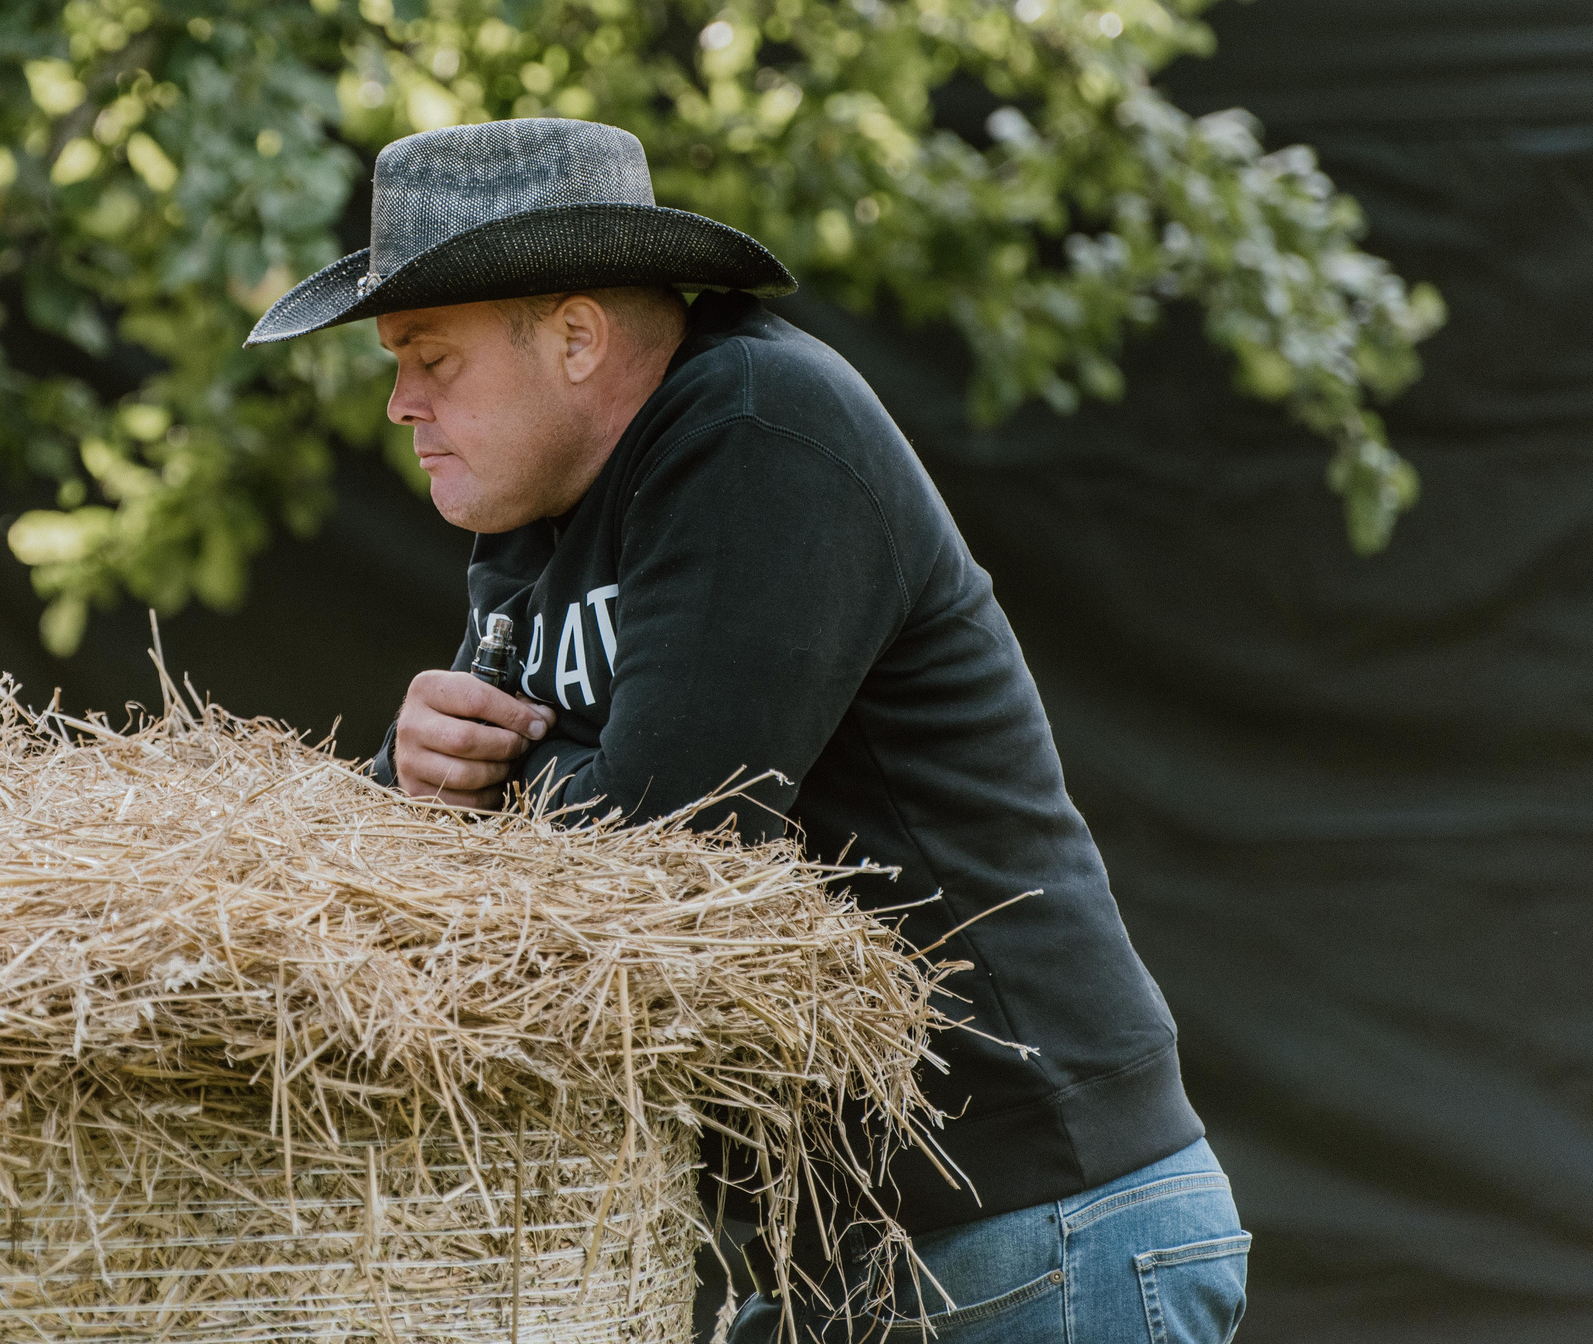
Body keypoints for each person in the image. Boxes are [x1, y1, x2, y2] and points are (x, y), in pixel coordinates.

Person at [247, 119, 1249, 1343]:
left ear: (575, 338)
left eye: (431, 357)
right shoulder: (532, 515)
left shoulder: (754, 423)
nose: (401, 400)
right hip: (843, 1253)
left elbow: (669, 846)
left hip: (1034, 1223)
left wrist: (492, 781)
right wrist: (409, 770)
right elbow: (467, 842)